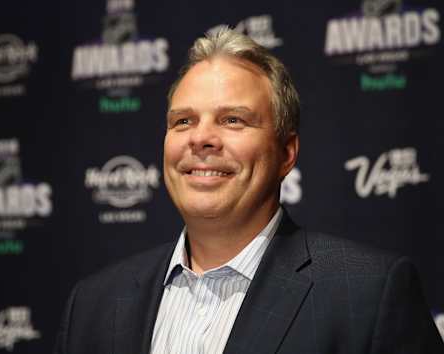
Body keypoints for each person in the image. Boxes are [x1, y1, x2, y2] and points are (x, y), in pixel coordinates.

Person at [54, 28, 443, 354]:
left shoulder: (369, 295)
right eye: (184, 120)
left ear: (286, 153)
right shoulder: (92, 306)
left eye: (233, 120)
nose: (202, 138)